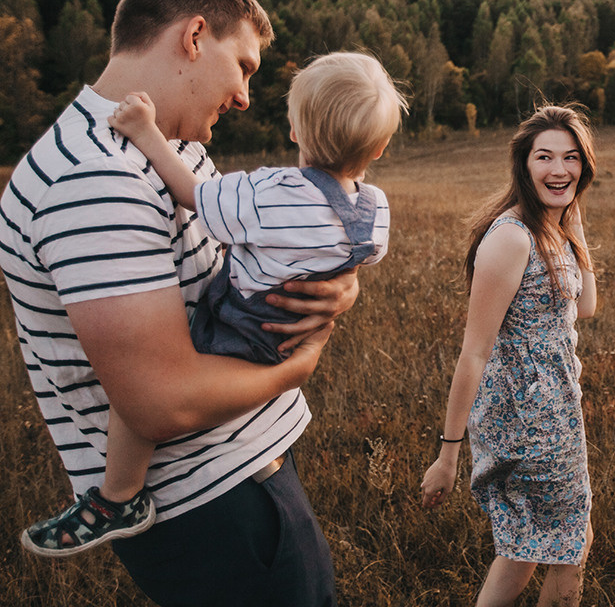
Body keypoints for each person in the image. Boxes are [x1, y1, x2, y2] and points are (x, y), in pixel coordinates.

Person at [0, 0, 359, 607]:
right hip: (213, 511)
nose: (247, 95)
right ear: (194, 37)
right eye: (243, 66)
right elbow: (158, 402)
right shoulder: (95, 178)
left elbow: (240, 264)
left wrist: (330, 288)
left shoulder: (169, 149)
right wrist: (300, 362)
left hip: (242, 478)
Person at [20, 50, 406, 558]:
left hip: (237, 325)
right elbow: (353, 264)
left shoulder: (270, 192)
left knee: (139, 398)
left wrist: (145, 131)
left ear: (295, 130)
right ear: (378, 149)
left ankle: (119, 498)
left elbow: (192, 195)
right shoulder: (374, 210)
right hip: (284, 339)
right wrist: (342, 294)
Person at [421, 105, 599, 607]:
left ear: (584, 165)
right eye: (544, 157)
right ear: (523, 165)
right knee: (572, 544)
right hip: (530, 426)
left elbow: (584, 306)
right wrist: (448, 454)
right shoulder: (511, 237)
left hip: (552, 415)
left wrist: (574, 224)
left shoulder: (551, 228)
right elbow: (473, 353)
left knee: (524, 550)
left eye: (570, 158)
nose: (558, 170)